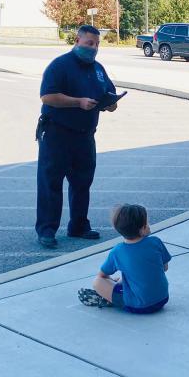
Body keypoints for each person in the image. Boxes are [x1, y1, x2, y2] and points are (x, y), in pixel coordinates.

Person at [35, 24, 118, 249]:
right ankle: (47, 230)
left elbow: (107, 93)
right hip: (57, 134)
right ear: (77, 41)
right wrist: (78, 102)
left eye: (97, 44)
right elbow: (47, 96)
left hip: (85, 136)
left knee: (82, 183)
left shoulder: (98, 69)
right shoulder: (60, 65)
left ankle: (79, 226)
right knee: (51, 183)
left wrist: (110, 104)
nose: (93, 48)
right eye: (89, 43)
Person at [78, 203, 171, 313]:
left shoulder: (118, 251)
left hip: (139, 305)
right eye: (147, 223)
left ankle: (110, 298)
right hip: (162, 299)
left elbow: (102, 275)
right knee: (128, 277)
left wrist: (112, 282)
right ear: (142, 229)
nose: (149, 225)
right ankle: (117, 291)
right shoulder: (156, 242)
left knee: (97, 282)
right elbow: (164, 268)